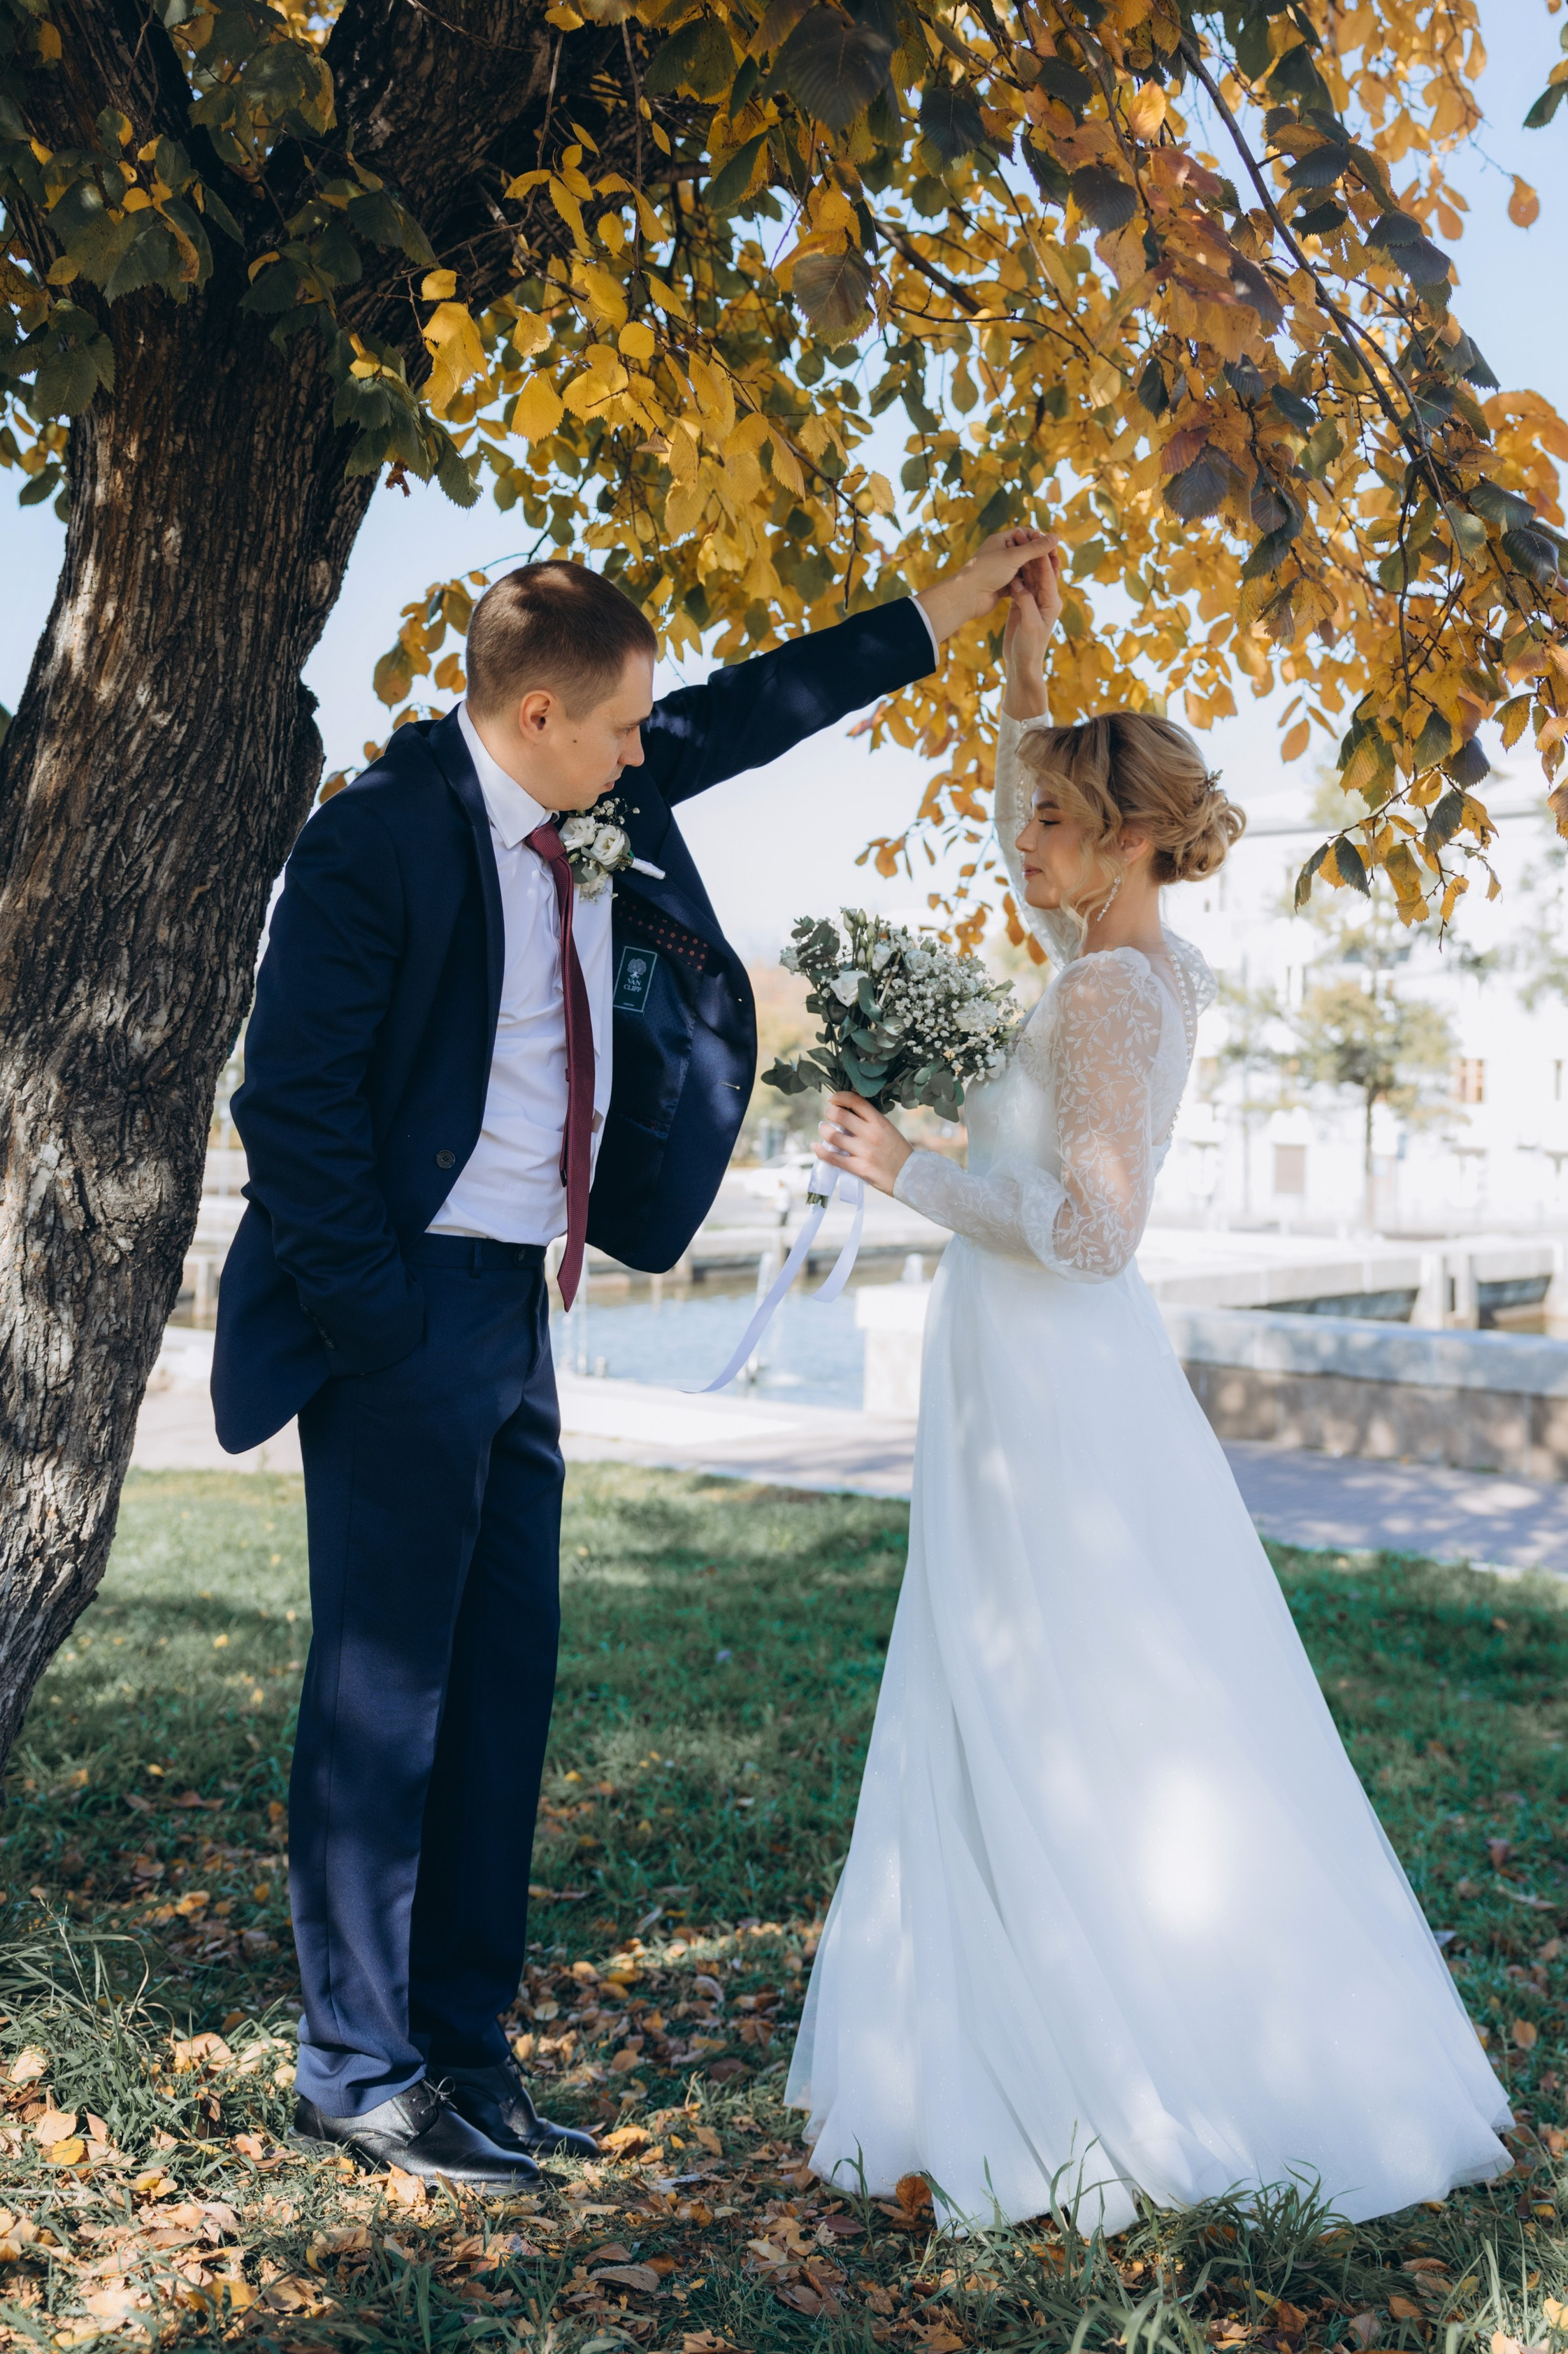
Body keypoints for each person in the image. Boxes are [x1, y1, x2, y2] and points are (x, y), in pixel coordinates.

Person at [211, 536, 1058, 2189]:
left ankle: (465, 2056)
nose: (639, 756)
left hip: (516, 1315)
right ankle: (354, 2066)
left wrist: (946, 611)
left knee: (503, 1690)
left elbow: (754, 710)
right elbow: (289, 1112)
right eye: (616, 732)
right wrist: (383, 1326)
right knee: (387, 1701)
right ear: (536, 713)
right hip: (398, 1316)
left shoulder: (590, 785)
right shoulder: (373, 843)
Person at [790, 559, 1513, 2234]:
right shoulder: (1120, 951)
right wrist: (1023, 665)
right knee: (1012, 1674)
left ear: (1121, 843)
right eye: (1022, 823)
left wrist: (909, 1167)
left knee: (1057, 1688)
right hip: (1022, 1374)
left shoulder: (1113, 990)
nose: (1016, 846)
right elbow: (1013, 782)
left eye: (1048, 826)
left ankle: (1111, 2053)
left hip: (1053, 1377)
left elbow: (1095, 1236)